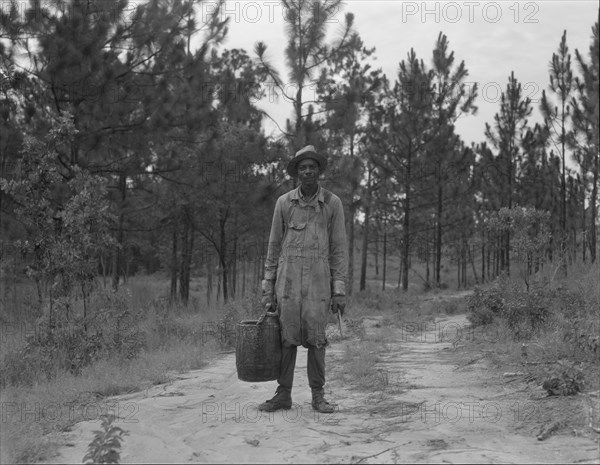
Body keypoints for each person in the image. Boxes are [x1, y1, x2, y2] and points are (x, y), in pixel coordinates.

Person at [259, 145, 348, 414]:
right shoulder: (284, 203)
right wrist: (267, 285)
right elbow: (274, 245)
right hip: (287, 282)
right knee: (286, 338)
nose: (307, 171)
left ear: (319, 171)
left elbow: (339, 248)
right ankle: (283, 394)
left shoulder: (332, 203)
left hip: (319, 282)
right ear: (297, 173)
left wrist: (339, 289)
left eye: (312, 166)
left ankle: (318, 395)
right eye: (302, 167)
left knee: (316, 339)